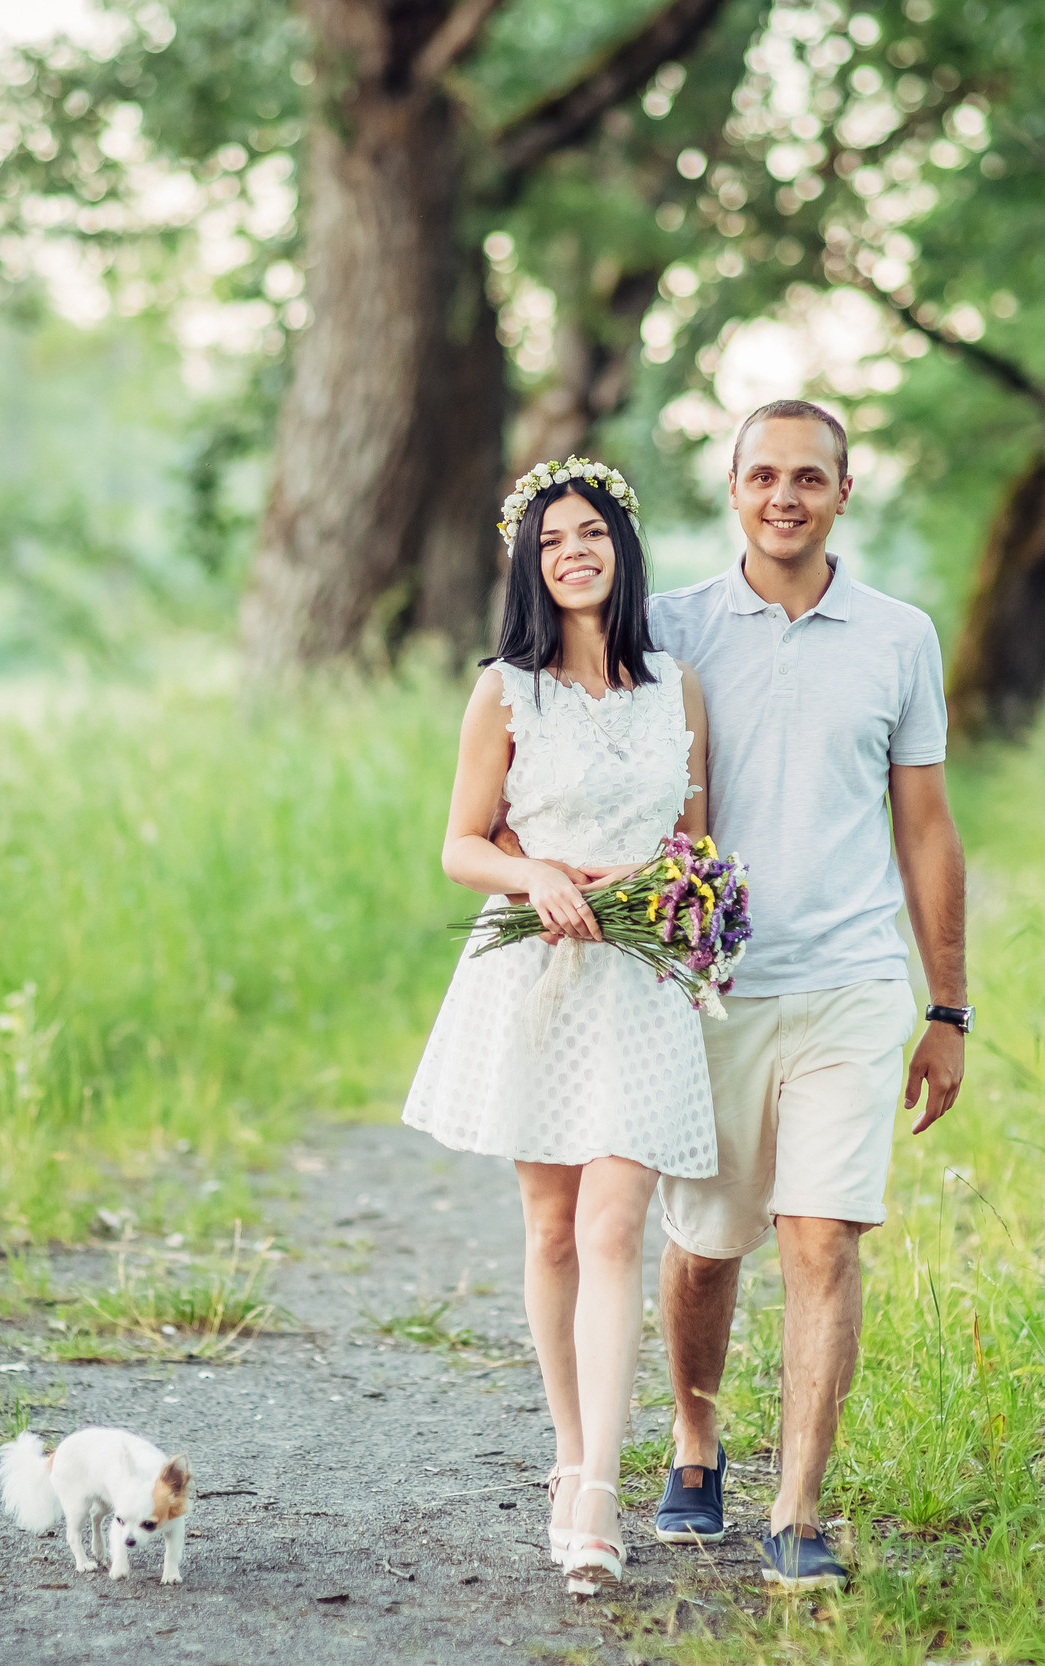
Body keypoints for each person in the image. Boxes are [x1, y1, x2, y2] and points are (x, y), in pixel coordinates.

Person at [500, 401, 968, 1593]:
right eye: (763, 475)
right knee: (705, 1245)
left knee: (821, 1240)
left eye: (809, 478)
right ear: (732, 487)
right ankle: (696, 1442)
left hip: (853, 984)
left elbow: (924, 828)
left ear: (843, 493)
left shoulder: (900, 636)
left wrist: (947, 1005)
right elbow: (561, 745)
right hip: (704, 986)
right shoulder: (673, 631)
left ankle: (799, 1506)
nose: (785, 496)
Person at [401, 456, 716, 1599]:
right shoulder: (504, 688)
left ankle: (596, 1493)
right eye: (549, 541)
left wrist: (660, 888)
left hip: (636, 980)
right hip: (535, 973)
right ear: (528, 564)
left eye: (589, 533)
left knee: (617, 1220)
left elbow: (699, 844)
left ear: (621, 548)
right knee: (550, 1228)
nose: (572, 552)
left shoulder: (673, 686)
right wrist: (532, 873)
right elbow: (459, 842)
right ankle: (566, 1447)